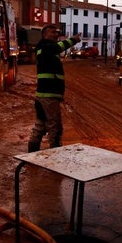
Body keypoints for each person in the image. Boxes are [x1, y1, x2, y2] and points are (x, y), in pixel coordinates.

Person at [27, 25, 81, 153]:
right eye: (53, 32)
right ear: (45, 34)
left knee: (40, 125)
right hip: (48, 96)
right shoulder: (45, 47)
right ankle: (55, 155)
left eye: (57, 32)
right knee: (54, 126)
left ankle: (31, 155)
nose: (56, 34)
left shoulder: (46, 48)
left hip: (45, 95)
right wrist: (73, 40)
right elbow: (57, 47)